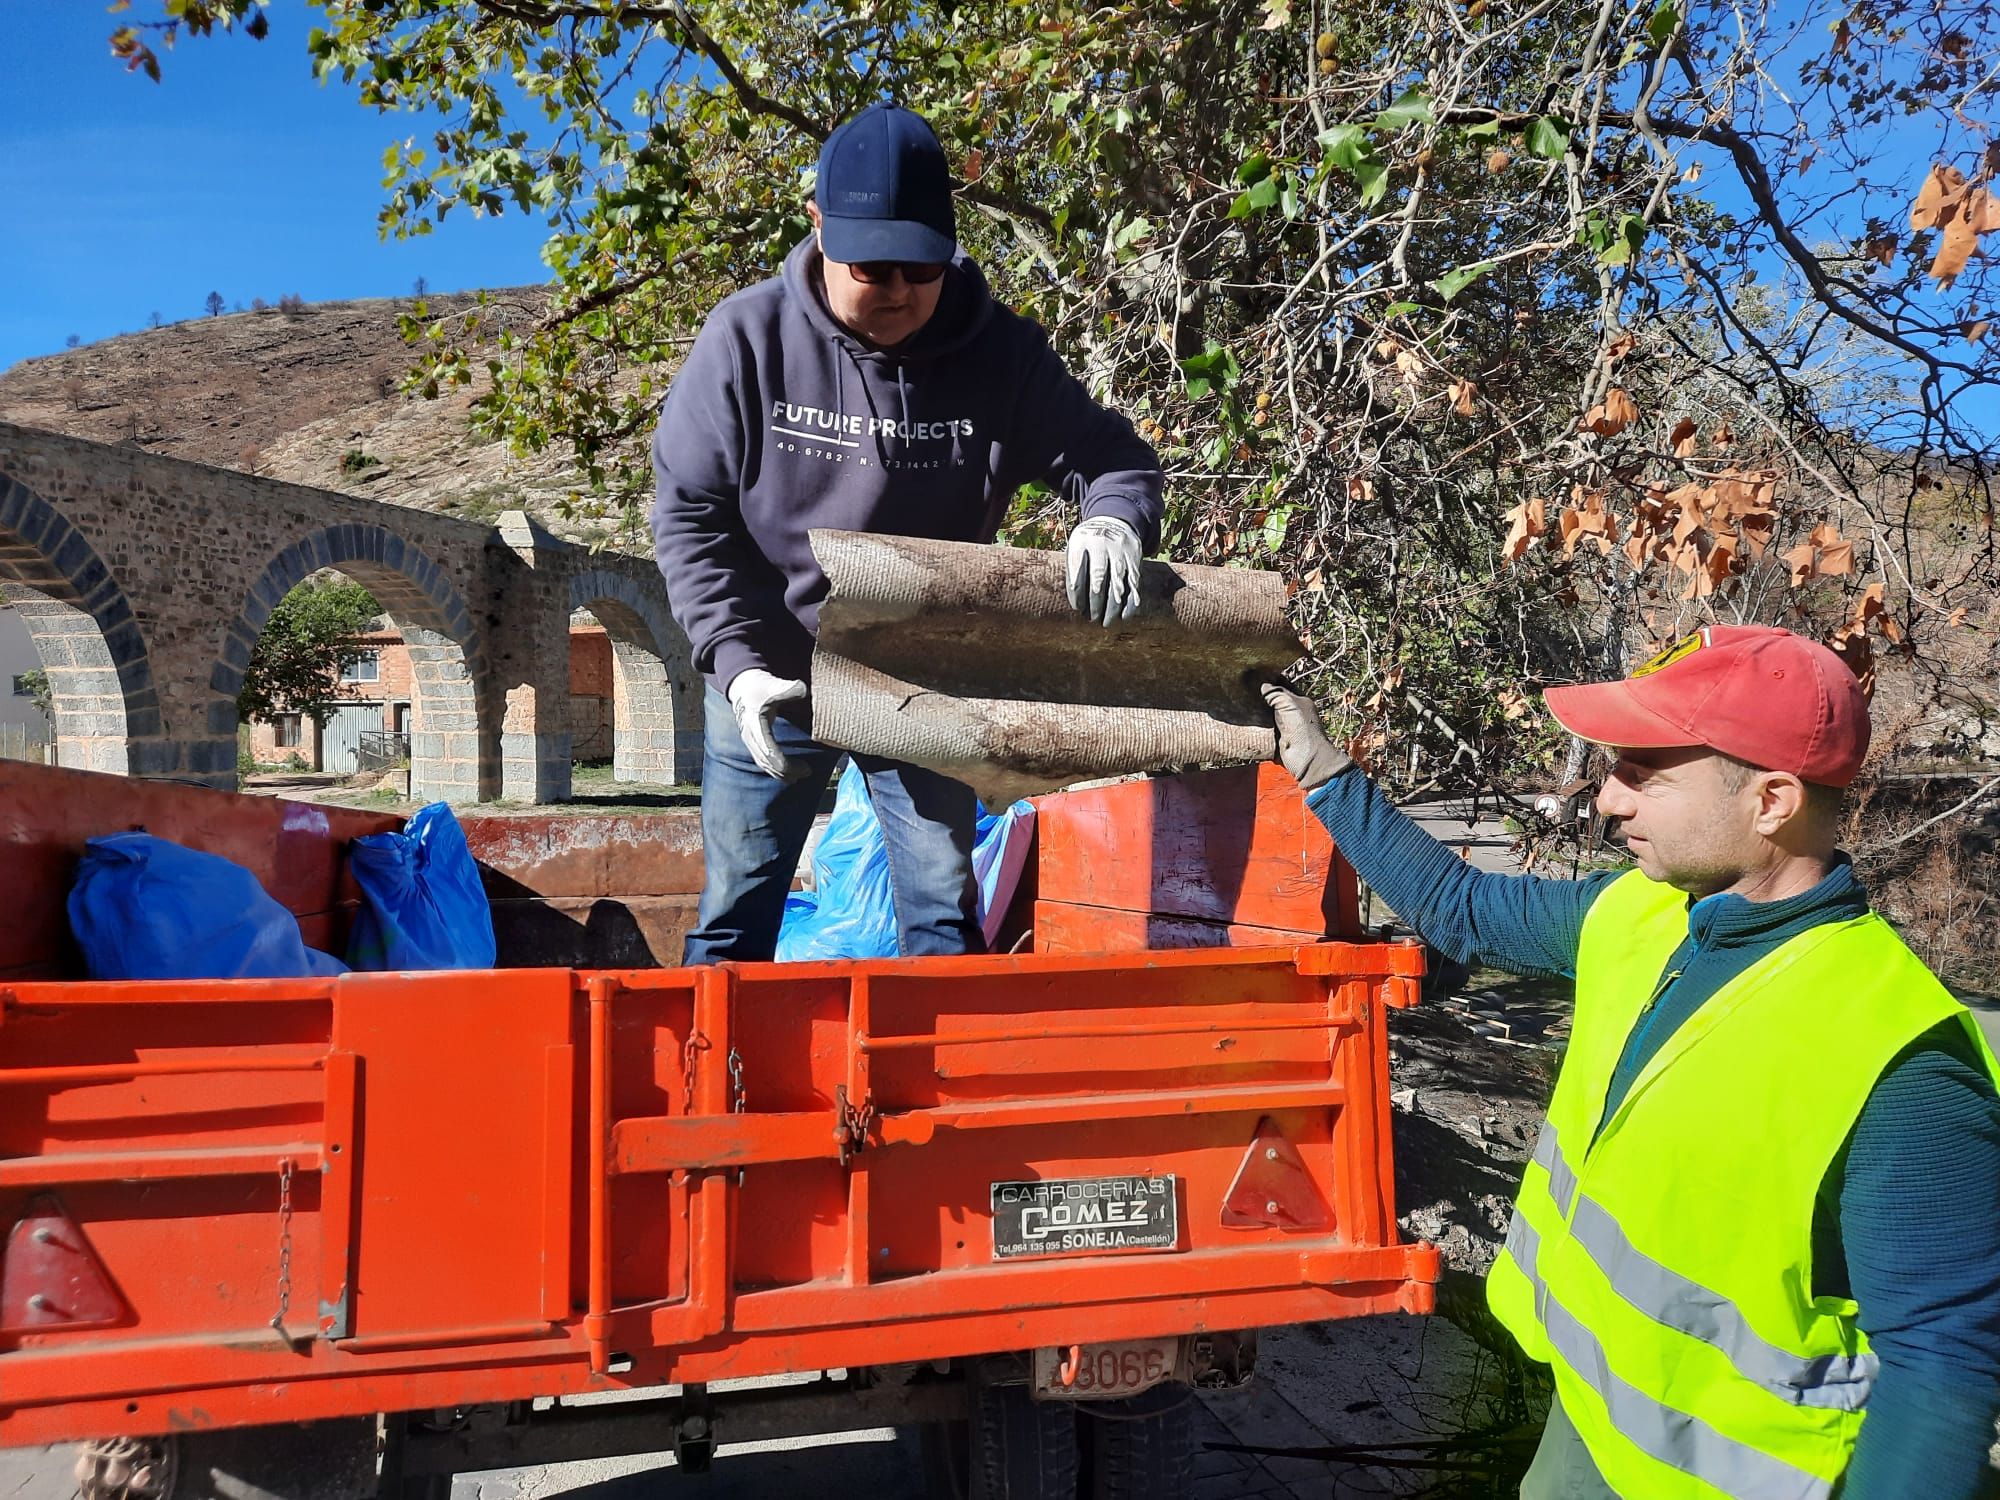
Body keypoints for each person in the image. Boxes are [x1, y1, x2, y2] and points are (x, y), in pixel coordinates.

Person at [1262, 626, 2000, 1499]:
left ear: (1771, 800)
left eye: (1644, 772)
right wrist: (1323, 772)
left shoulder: (1902, 1060)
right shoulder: (1639, 915)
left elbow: (1942, 1375)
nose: (1608, 799)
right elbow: (1456, 905)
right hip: (1590, 1431)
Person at [652, 101, 1164, 964]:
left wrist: (1113, 519)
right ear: (818, 226)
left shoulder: (1002, 354)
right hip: (771, 667)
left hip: (921, 672)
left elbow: (1112, 458)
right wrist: (736, 669)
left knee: (939, 910)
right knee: (738, 911)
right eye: (872, 265)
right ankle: (725, 1095)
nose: (896, 290)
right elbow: (690, 517)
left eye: (920, 268)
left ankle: (939, 1090)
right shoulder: (744, 340)